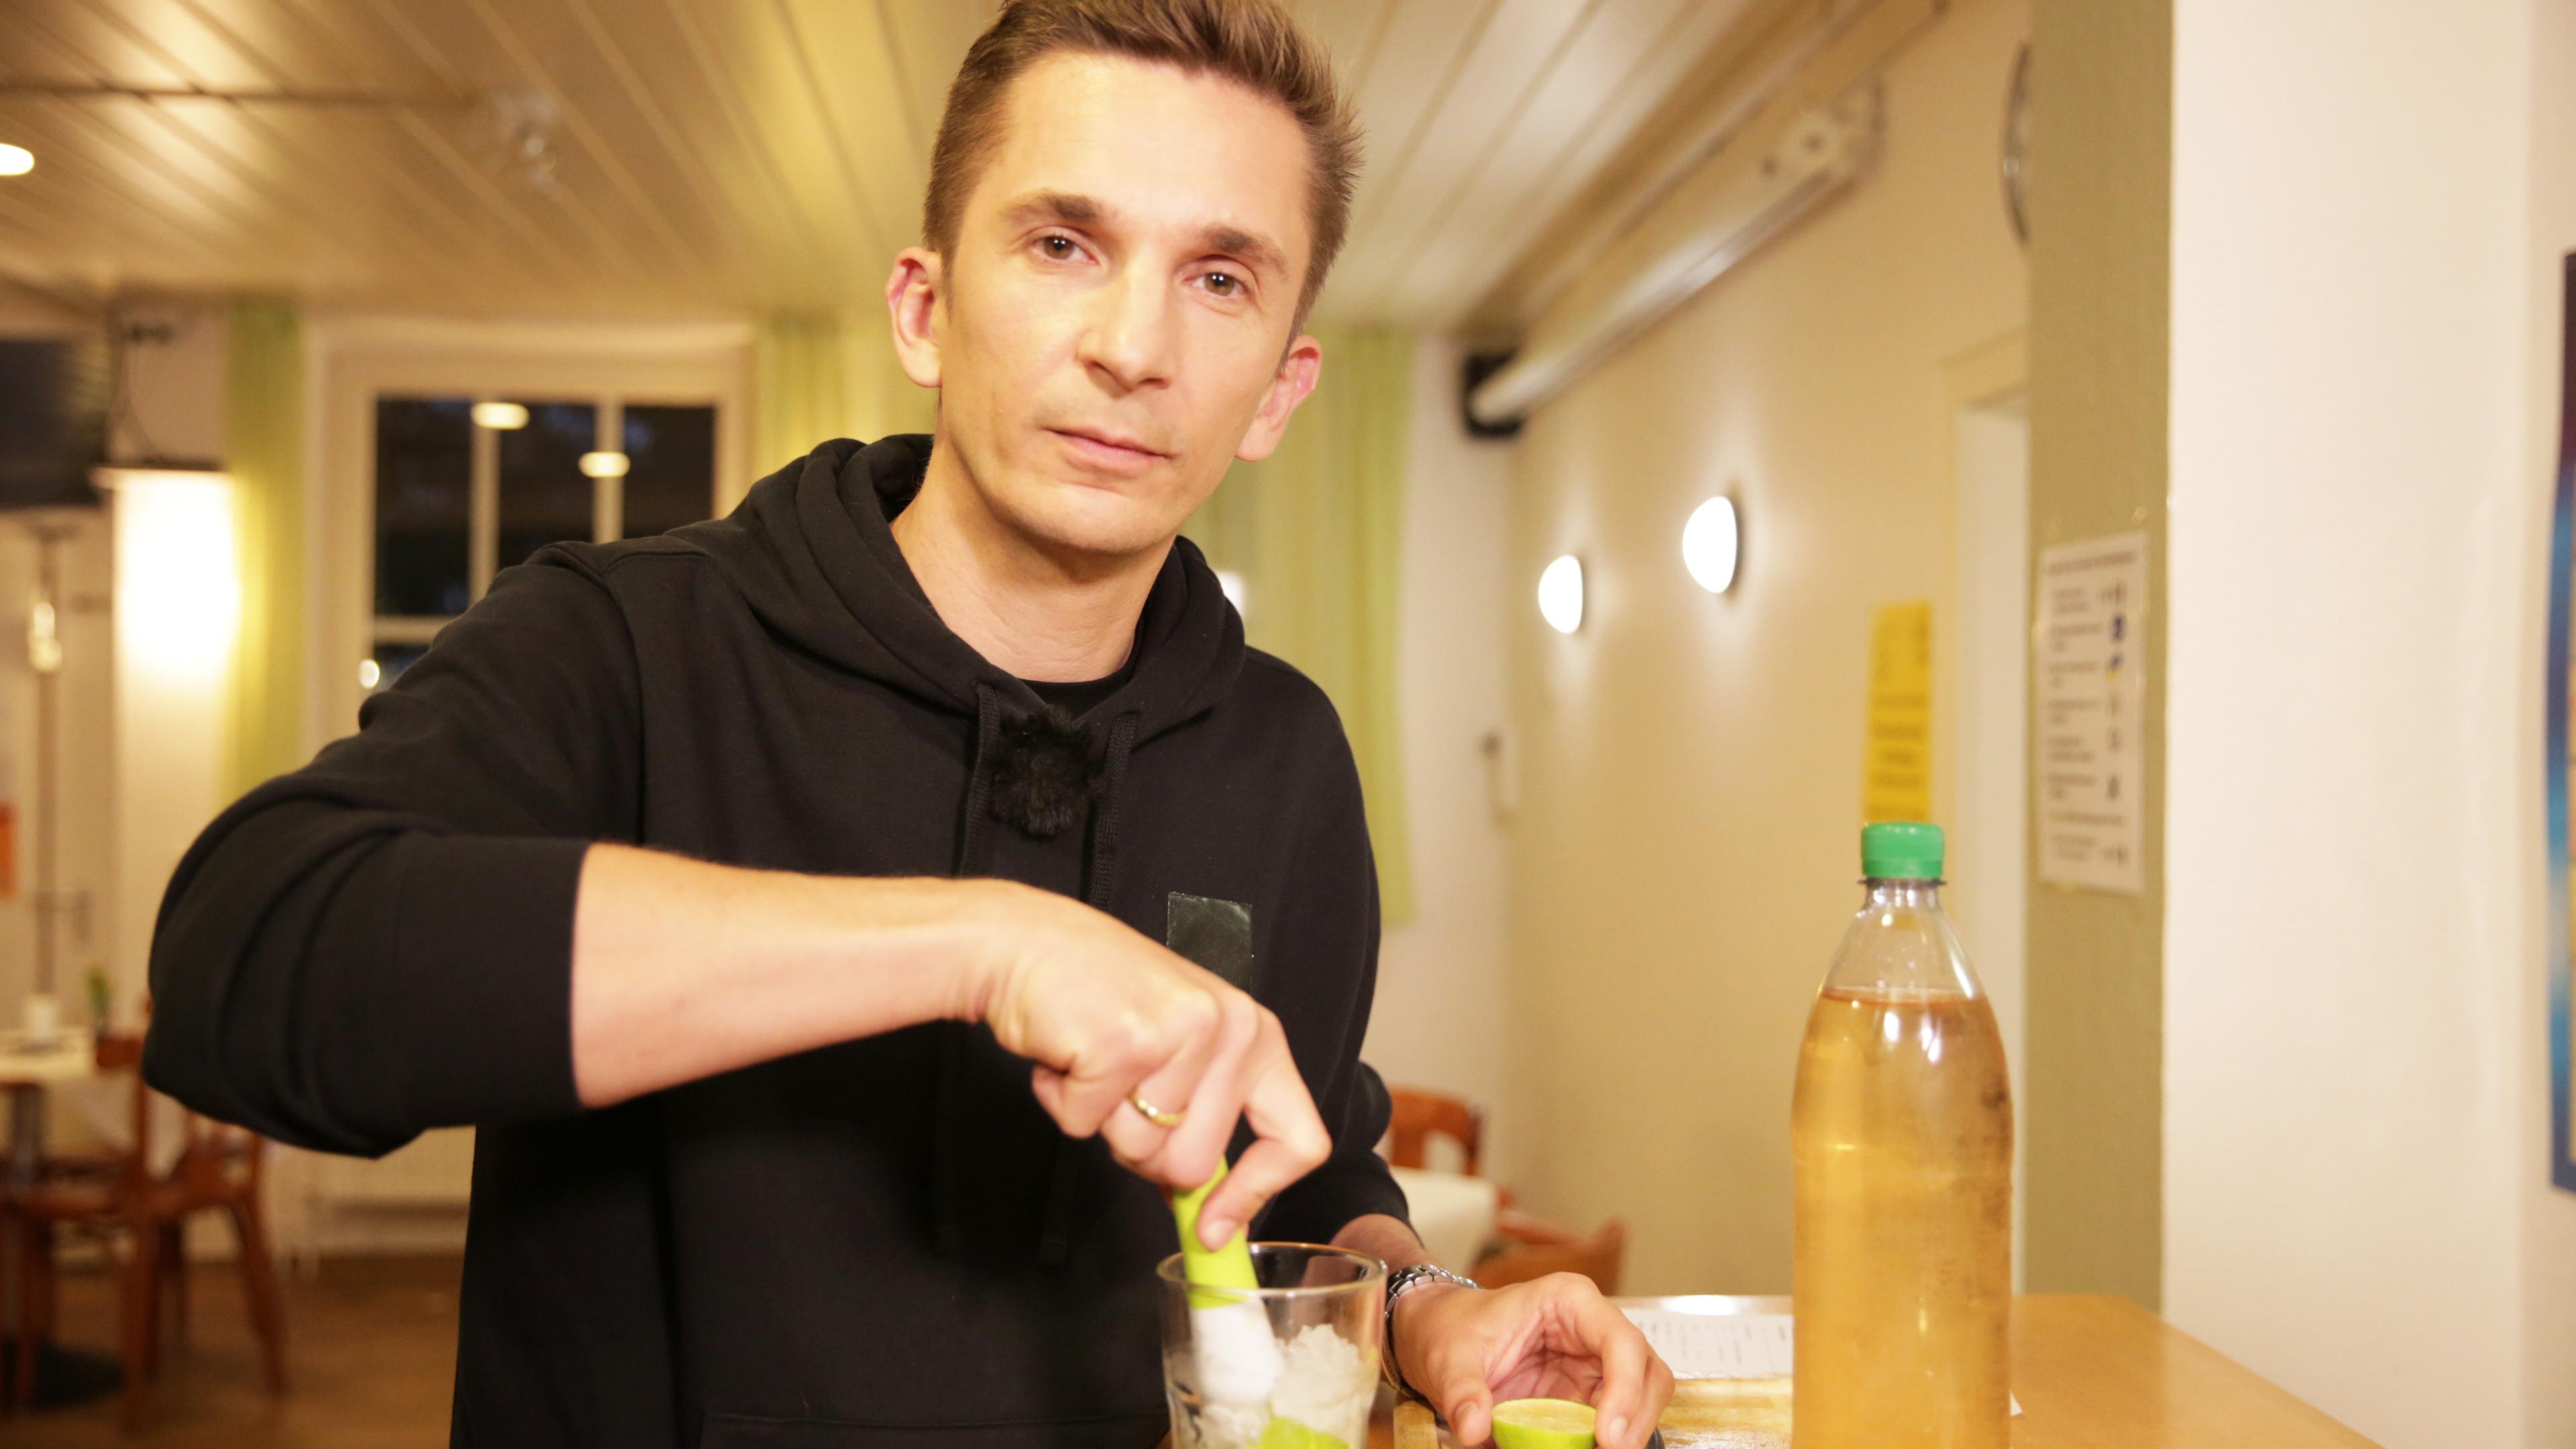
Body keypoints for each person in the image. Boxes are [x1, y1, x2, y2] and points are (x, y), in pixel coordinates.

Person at [144, 2, 1674, 1445]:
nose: (1133, 345)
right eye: (1066, 244)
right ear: (924, 309)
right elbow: (250, 966)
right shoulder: (624, 642)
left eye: (1220, 279)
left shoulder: (1284, 752)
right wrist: (976, 945)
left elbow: (1301, 1164)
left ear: (1279, 389)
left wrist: (1430, 1308)